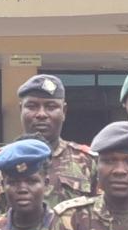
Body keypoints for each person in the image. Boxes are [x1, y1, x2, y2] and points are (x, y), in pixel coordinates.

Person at [15, 73, 98, 202]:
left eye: (51, 107)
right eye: (32, 106)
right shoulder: (0, 162)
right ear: (21, 110)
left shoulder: (88, 162)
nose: (41, 114)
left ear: (64, 112)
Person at [0, 137, 63, 230]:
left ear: (46, 184)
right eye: (13, 182)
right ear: (3, 185)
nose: (22, 189)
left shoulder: (64, 229)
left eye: (31, 181)